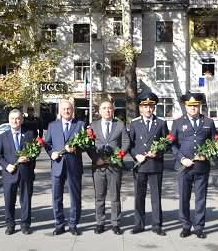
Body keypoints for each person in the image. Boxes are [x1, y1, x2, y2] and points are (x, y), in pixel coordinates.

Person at [170, 92, 217, 239]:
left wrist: (208, 155)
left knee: (200, 198)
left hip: (201, 167)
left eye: (196, 105)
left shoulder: (208, 122)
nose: (193, 108)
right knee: (184, 198)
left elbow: (215, 143)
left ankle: (199, 227)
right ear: (186, 106)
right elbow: (172, 145)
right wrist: (182, 159)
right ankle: (185, 226)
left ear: (199, 106)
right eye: (190, 106)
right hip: (184, 167)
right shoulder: (178, 123)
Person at [86, 100, 130, 235]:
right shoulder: (93, 126)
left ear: (113, 110)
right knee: (99, 197)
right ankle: (100, 223)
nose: (107, 110)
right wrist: (95, 158)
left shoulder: (120, 125)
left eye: (110, 108)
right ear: (100, 111)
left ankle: (115, 223)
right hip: (98, 167)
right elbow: (88, 144)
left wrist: (120, 155)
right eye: (104, 108)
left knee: (115, 196)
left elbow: (126, 141)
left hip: (114, 166)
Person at [129, 91, 169, 235]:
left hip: (155, 165)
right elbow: (130, 145)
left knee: (156, 197)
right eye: (145, 106)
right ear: (140, 108)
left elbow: (167, 143)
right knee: (139, 196)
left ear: (154, 107)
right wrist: (136, 155)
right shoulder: (134, 124)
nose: (148, 109)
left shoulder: (161, 123)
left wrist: (158, 152)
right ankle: (139, 224)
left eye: (151, 106)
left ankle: (157, 225)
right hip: (140, 166)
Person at [45, 99, 85, 236]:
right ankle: (59, 224)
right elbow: (47, 144)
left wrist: (76, 148)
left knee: (75, 197)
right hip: (57, 165)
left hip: (74, 166)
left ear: (72, 110)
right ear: (60, 111)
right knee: (57, 197)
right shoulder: (52, 126)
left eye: (69, 109)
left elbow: (86, 145)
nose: (66, 111)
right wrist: (51, 153)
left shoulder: (80, 125)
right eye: (64, 109)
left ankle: (73, 224)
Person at [0, 109, 37, 235]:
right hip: (9, 173)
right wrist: (6, 165)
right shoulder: (3, 136)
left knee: (26, 200)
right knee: (9, 200)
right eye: (12, 119)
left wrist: (29, 157)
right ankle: (10, 225)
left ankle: (25, 225)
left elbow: (36, 150)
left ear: (22, 120)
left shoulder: (29, 134)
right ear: (9, 120)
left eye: (17, 118)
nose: (15, 121)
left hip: (25, 172)